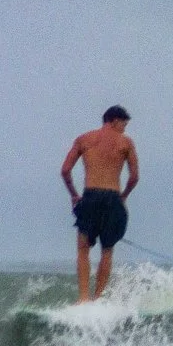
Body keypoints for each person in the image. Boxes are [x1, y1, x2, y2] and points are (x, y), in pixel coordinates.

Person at [60, 105, 140, 302]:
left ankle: (83, 298)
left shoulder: (84, 139)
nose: (124, 129)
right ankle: (99, 298)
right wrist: (124, 196)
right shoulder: (126, 143)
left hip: (90, 196)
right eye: (124, 124)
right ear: (113, 120)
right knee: (107, 249)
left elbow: (65, 171)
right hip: (113, 198)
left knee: (83, 248)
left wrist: (73, 195)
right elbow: (134, 177)